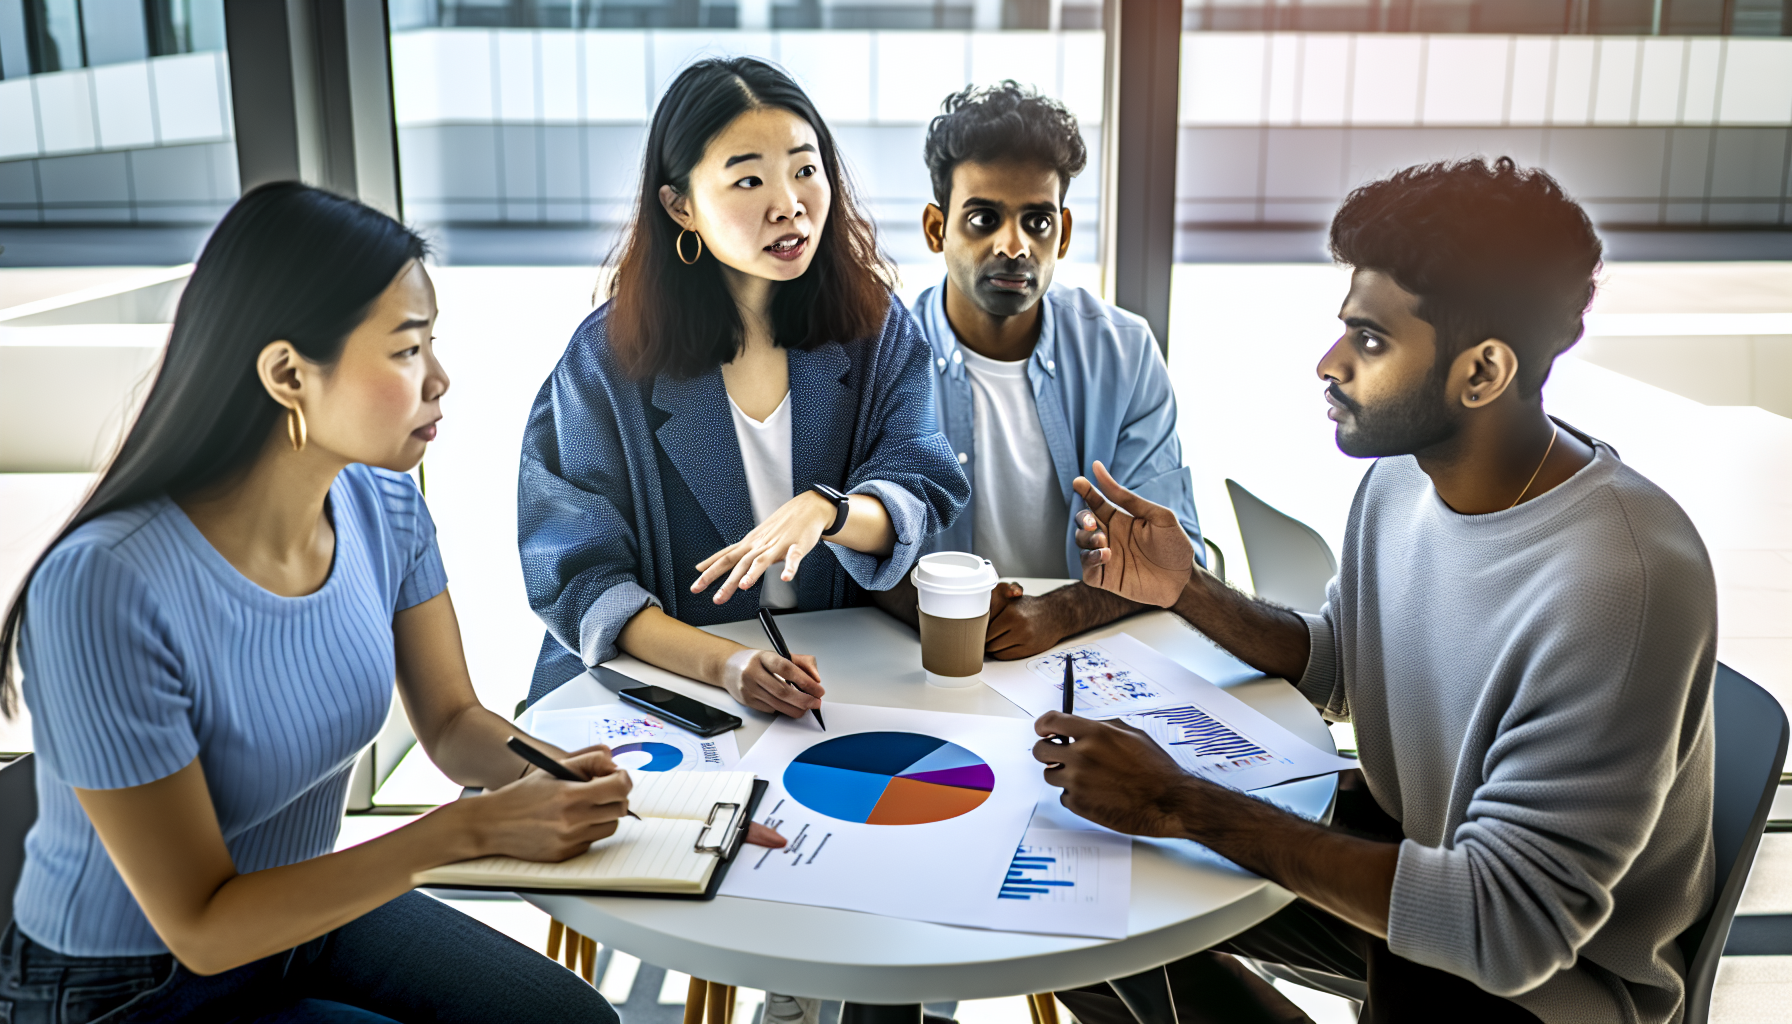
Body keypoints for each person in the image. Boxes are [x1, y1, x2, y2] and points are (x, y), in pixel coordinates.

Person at [1039, 159, 1715, 1024]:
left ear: (1483, 374)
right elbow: (1350, 668)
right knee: (1086, 885)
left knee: (1148, 849)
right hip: (1422, 861)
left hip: (1543, 989)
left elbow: (1506, 927)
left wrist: (1180, 799)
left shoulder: (1623, 582)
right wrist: (1186, 591)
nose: (1328, 363)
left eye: (1369, 341)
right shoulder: (1403, 480)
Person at [0, 183, 685, 1022]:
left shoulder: (383, 506)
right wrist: (470, 833)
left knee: (573, 1020)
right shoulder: (103, 587)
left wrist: (545, 770)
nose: (439, 378)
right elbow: (203, 928)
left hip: (300, 909)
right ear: (289, 372)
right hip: (138, 984)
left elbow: (453, 723)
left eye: (432, 343)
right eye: (404, 351)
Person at [519, 58, 969, 711]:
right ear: (681, 206)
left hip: (839, 670)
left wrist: (830, 510)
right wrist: (728, 666)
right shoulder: (604, 359)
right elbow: (581, 577)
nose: (788, 205)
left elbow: (916, 485)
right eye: (749, 179)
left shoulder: (876, 327)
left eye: (805, 170)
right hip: (661, 684)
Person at [873, 82, 1202, 660]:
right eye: (982, 218)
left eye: (1037, 222)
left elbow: (1175, 556)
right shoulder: (879, 354)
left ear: (1064, 233)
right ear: (935, 228)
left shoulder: (1123, 351)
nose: (1014, 245)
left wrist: (1060, 612)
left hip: (1086, 653)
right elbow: (851, 547)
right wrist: (958, 622)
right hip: (922, 658)